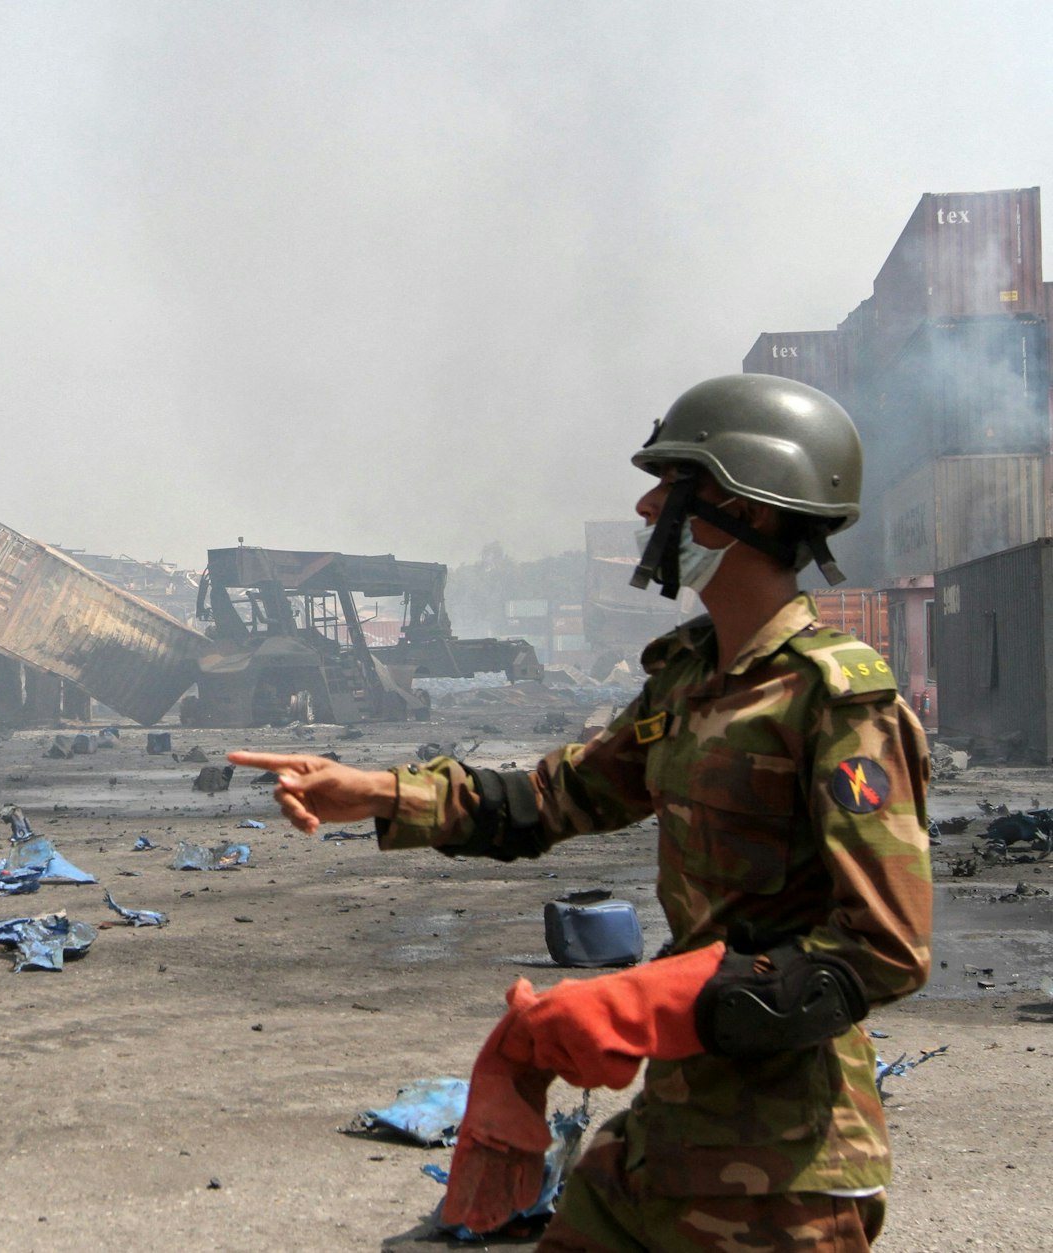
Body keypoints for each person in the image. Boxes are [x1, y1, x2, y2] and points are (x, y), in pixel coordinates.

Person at [231, 374, 932, 1252]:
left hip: (785, 1167)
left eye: (673, 484)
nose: (646, 506)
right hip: (671, 1130)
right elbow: (552, 796)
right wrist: (372, 790)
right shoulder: (688, 677)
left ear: (739, 505)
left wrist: (649, 1002)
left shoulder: (835, 699)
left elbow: (885, 948)